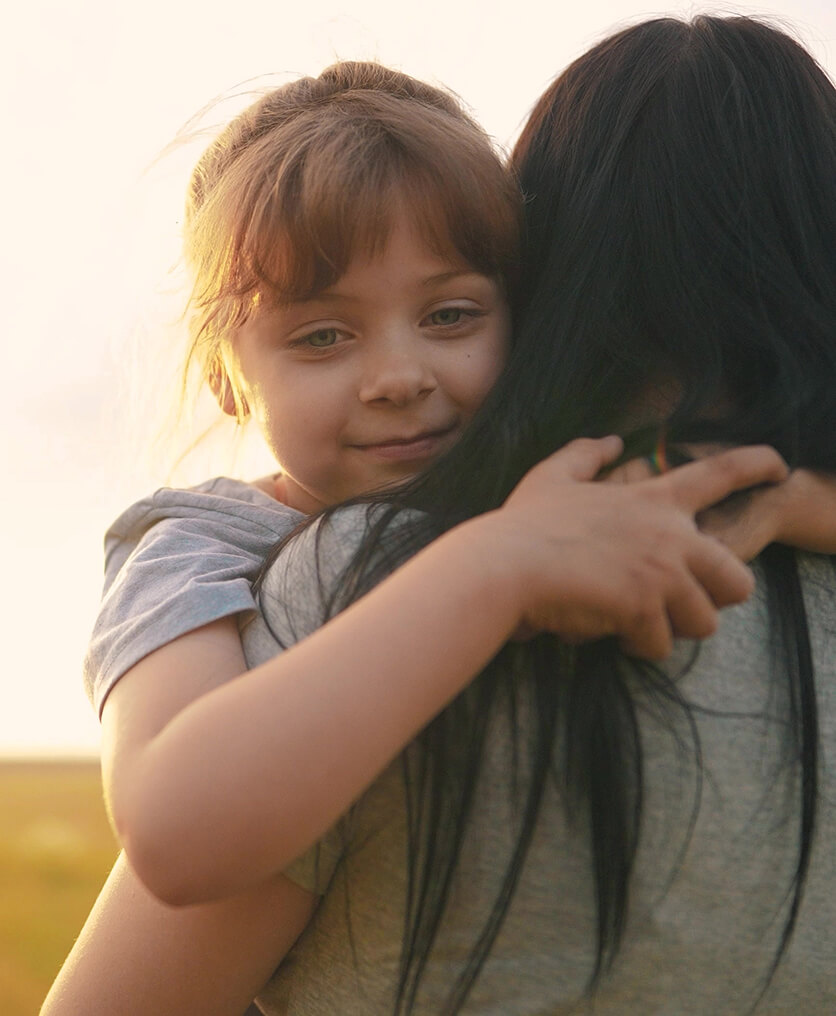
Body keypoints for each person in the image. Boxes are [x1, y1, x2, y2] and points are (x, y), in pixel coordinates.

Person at [42, 16, 836, 1016]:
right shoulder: (200, 546)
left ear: (533, 298)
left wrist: (796, 495)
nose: (399, 377)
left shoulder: (580, 500)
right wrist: (497, 561)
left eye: (451, 315)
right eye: (323, 334)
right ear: (226, 380)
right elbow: (173, 826)